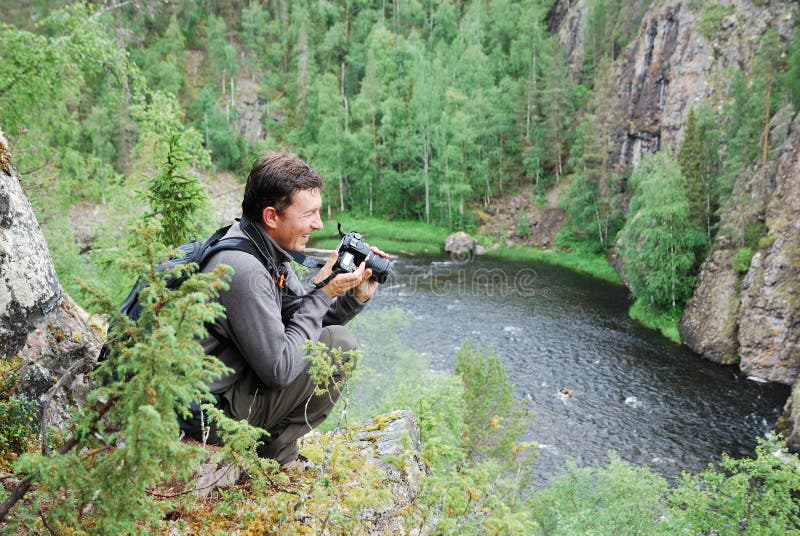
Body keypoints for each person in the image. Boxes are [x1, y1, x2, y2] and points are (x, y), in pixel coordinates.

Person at [187, 152, 385, 467]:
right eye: (309, 214)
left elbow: (304, 327)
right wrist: (324, 292)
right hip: (205, 420)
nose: (318, 225)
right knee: (340, 346)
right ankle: (275, 457)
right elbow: (281, 369)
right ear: (271, 216)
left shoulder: (264, 249)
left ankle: (274, 454)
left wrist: (353, 297)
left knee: (330, 340)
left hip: (222, 394)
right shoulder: (243, 269)